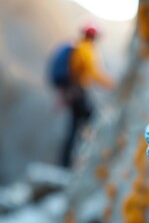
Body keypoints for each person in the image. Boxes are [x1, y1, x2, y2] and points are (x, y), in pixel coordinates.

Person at [49, 24, 114, 168]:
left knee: (75, 126)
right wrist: (112, 85)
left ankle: (66, 163)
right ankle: (85, 159)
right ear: (93, 37)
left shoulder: (77, 47)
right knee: (91, 120)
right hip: (78, 91)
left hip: (72, 91)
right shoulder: (86, 49)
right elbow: (94, 73)